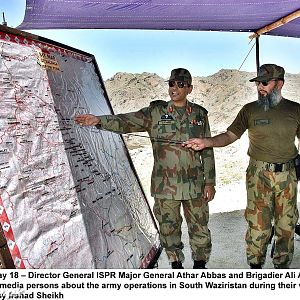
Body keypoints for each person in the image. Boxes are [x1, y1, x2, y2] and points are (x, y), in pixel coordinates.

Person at [75, 68, 216, 269]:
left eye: (180, 85)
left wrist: (210, 182)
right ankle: (176, 265)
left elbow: (208, 149)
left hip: (195, 185)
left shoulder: (200, 115)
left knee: (199, 227)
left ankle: (200, 265)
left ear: (190, 89)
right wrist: (99, 120)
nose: (174, 88)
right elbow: (126, 121)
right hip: (165, 186)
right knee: (168, 229)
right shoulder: (155, 113)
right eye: (171, 84)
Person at [184, 64, 299, 269]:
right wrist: (206, 142)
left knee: (286, 226)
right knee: (258, 226)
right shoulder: (249, 110)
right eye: (258, 83)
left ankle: (282, 269)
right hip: (258, 176)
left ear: (280, 84)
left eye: (265, 83)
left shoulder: (296, 110)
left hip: (288, 176)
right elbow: (230, 135)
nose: (260, 87)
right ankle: (255, 268)